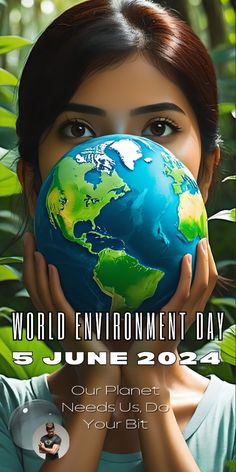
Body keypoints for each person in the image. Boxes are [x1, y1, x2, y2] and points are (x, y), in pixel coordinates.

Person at [0, 0, 234, 471]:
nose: (120, 154)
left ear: (204, 177)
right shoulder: (9, 412)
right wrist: (103, 377)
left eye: (160, 128)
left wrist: (144, 378)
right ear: (32, 181)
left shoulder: (229, 419)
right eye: (78, 129)